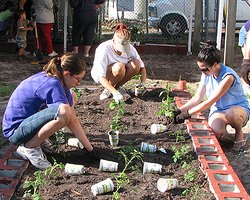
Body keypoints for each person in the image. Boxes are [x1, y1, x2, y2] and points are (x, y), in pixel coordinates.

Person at [2, 53, 97, 169]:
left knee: (70, 100)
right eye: (78, 79)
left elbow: (73, 120)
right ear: (67, 74)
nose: (79, 83)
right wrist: (90, 150)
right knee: (63, 112)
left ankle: (38, 139)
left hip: (27, 124)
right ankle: (30, 147)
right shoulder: (52, 84)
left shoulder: (60, 80)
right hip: (15, 131)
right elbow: (68, 117)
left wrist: (90, 149)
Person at [174, 41, 250, 150]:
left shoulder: (228, 77)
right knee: (217, 133)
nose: (202, 71)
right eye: (200, 69)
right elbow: (197, 97)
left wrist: (187, 114)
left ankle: (239, 135)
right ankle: (227, 137)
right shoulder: (206, 75)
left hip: (238, 109)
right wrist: (179, 111)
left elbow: (210, 101)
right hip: (219, 110)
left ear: (215, 64)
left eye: (205, 69)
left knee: (231, 115)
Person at [91, 23, 147, 103]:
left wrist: (143, 84)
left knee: (136, 64)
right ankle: (108, 90)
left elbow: (142, 67)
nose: (122, 51)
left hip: (120, 73)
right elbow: (100, 76)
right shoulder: (103, 49)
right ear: (113, 41)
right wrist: (115, 93)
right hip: (104, 76)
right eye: (120, 48)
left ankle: (117, 88)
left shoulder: (131, 49)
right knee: (119, 67)